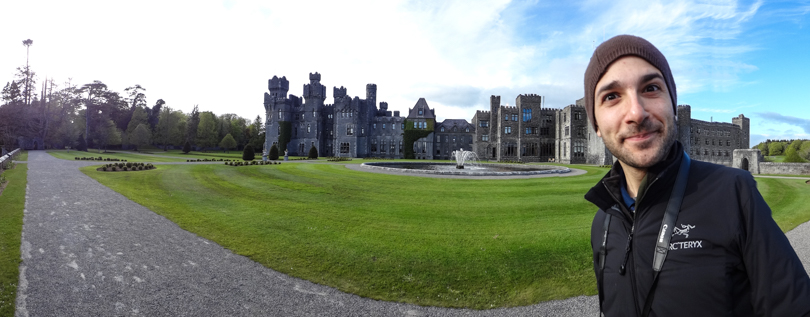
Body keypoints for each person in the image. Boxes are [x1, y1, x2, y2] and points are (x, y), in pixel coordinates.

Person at [583, 34, 810, 317]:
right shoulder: (604, 221)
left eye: (651, 88)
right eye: (612, 96)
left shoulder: (733, 193)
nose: (636, 113)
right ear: (595, 123)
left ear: (674, 107)